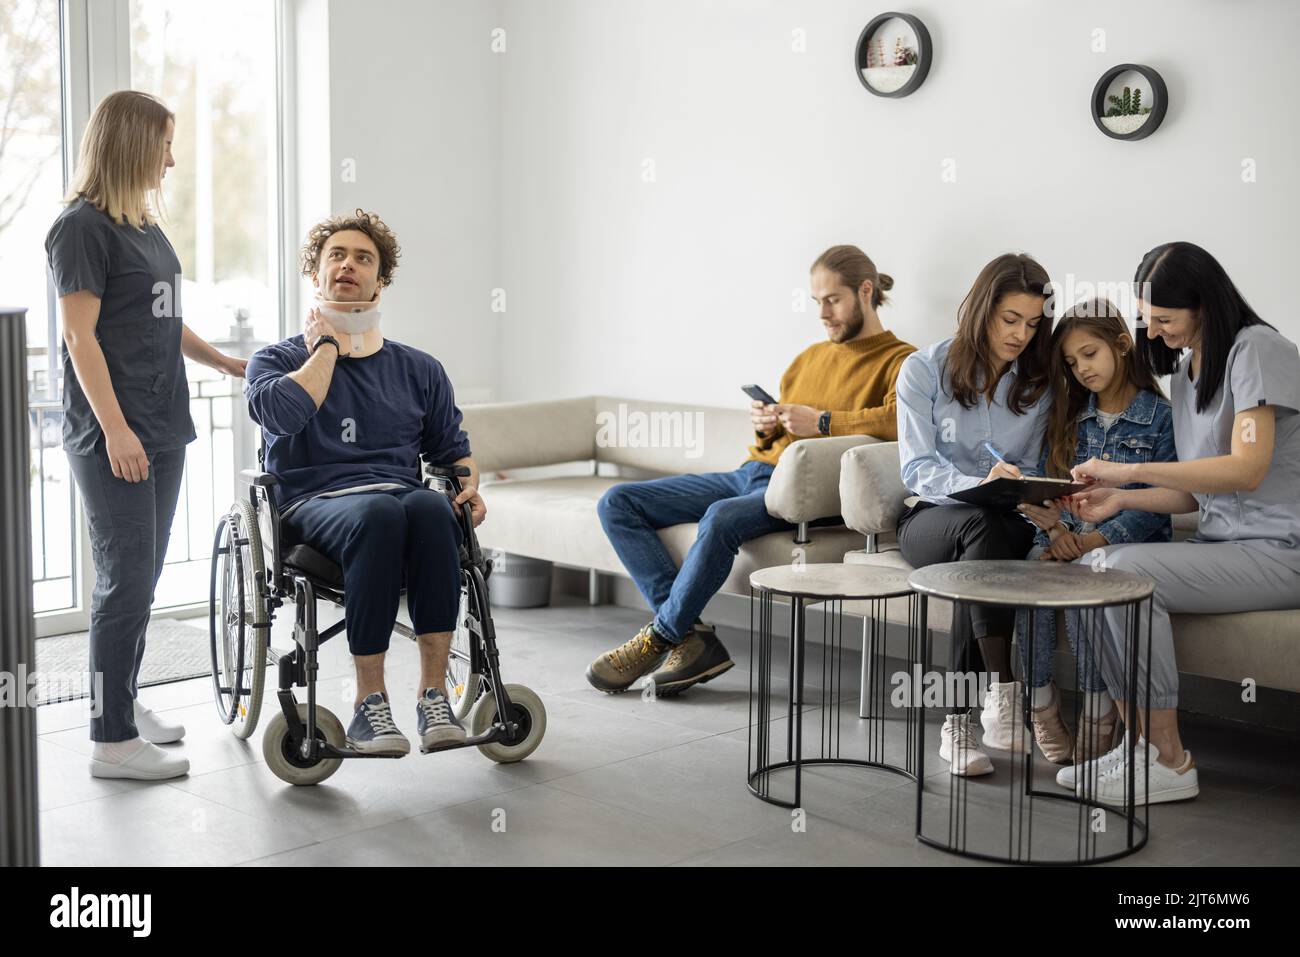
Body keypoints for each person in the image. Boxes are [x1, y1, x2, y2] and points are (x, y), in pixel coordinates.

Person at [587, 245, 917, 696]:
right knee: (618, 502)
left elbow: (898, 421)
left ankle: (659, 637)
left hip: (809, 495)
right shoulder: (808, 358)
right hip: (755, 472)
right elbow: (779, 436)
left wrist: (821, 422)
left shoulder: (902, 361)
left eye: (832, 299)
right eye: (816, 300)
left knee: (722, 516)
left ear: (865, 291)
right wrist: (768, 426)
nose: (822, 312)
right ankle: (690, 637)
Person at [45, 90, 247, 781]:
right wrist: (116, 430)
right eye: (163, 142)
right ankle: (110, 740)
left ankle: (126, 706)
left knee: (144, 576)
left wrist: (221, 359)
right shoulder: (81, 228)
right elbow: (79, 337)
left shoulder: (145, 226)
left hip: (164, 424)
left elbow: (162, 317)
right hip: (114, 432)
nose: (171, 157)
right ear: (132, 143)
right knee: (124, 579)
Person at [1063, 242, 1300, 805]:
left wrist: (1127, 472)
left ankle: (1171, 760)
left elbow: (1246, 470)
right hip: (1228, 548)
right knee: (1092, 570)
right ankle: (1139, 745)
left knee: (1123, 573)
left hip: (1281, 550)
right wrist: (1119, 501)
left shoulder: (1257, 351)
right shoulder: (1191, 371)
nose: (1154, 333)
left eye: (1165, 319)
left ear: (1204, 304)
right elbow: (1198, 492)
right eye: (1149, 320)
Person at [244, 209, 485, 756]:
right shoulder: (275, 359)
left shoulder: (418, 368)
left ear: (381, 280)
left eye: (363, 258)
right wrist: (326, 348)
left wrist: (468, 489)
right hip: (313, 504)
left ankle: (432, 695)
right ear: (316, 273)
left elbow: (452, 452)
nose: (349, 265)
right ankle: (368, 704)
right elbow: (280, 416)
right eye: (337, 255)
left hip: (400, 501)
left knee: (430, 508)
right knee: (379, 513)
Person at [894, 252, 1053, 776]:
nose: (1021, 335)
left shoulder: (1038, 384)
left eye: (1032, 324)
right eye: (1010, 320)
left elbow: (1032, 467)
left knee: (987, 536)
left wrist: (1027, 492)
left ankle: (958, 721)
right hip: (930, 519)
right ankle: (1002, 688)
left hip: (1004, 521)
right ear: (982, 310)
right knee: (978, 527)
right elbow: (917, 469)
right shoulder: (923, 369)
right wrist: (977, 485)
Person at [1013, 298, 1176, 765]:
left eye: (1089, 354)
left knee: (1091, 575)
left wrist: (1086, 543)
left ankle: (1098, 712)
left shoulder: (1160, 418)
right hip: (1067, 537)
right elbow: (1052, 487)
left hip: (1128, 543)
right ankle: (1041, 705)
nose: (1081, 369)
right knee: (1030, 571)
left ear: (1122, 345)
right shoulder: (1070, 415)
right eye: (1071, 361)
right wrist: (1060, 532)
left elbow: (1153, 504)